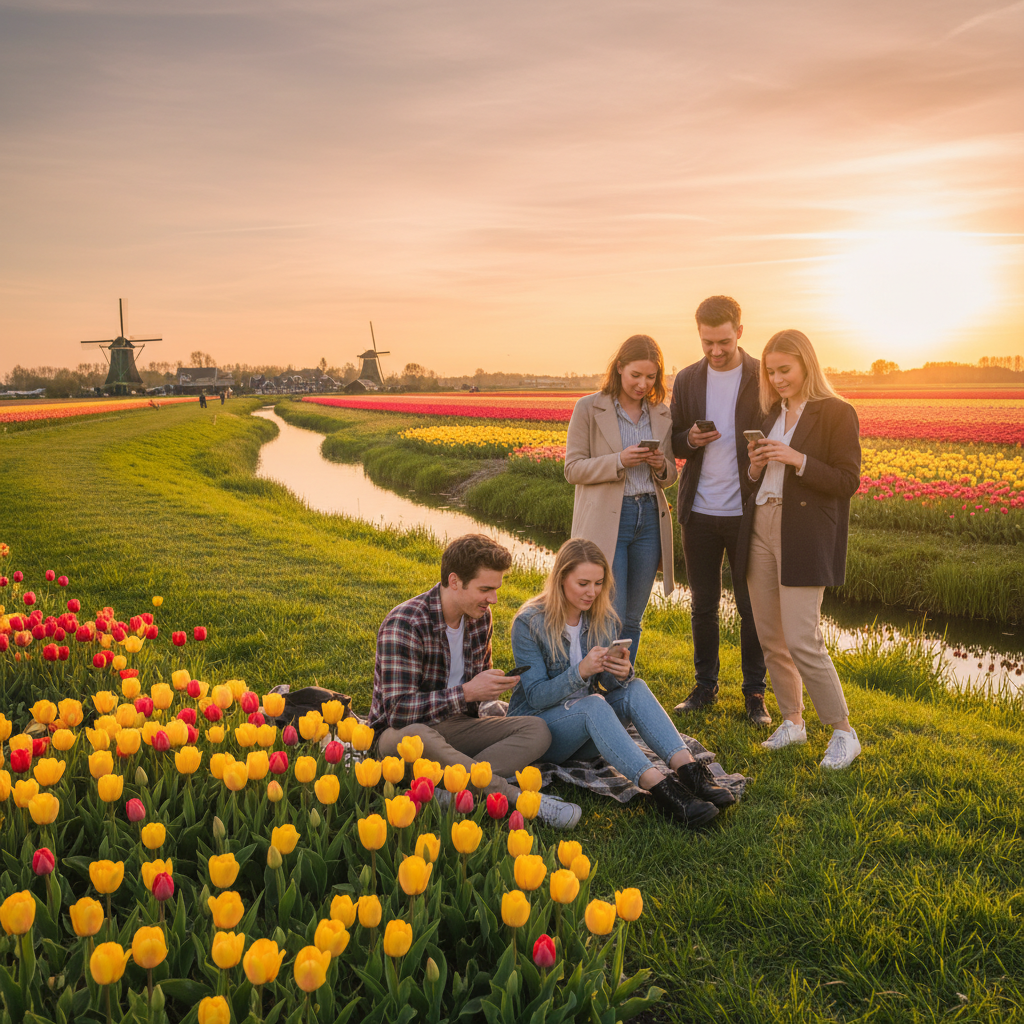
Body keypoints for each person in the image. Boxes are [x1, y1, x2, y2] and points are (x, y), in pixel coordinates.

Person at [509, 538, 734, 829]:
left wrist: (620, 673)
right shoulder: (529, 623)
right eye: (583, 583)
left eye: (599, 583)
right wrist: (580, 671)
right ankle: (666, 792)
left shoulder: (601, 618)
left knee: (635, 687)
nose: (592, 592)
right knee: (593, 704)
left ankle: (690, 772)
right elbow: (537, 696)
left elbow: (614, 689)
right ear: (561, 578)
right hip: (541, 733)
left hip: (585, 733)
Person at [369, 533, 582, 828]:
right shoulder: (405, 623)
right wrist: (467, 692)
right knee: (418, 735)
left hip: (456, 726)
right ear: (454, 581)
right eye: (485, 589)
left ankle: (452, 787)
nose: (493, 599)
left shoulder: (480, 617)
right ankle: (517, 800)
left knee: (537, 730)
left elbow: (476, 691)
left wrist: (492, 686)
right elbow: (397, 712)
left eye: (495, 589)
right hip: (400, 736)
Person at [736, 329, 862, 769]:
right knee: (771, 636)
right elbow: (758, 479)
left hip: (804, 532)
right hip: (762, 526)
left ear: (807, 363)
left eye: (784, 369)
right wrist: (755, 467)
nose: (777, 378)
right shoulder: (772, 413)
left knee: (803, 638)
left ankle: (843, 731)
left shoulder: (836, 413)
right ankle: (793, 720)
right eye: (771, 372)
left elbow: (848, 481)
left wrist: (797, 459)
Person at [669, 296, 769, 724]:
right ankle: (705, 687)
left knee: (752, 607)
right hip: (700, 511)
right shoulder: (688, 379)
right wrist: (688, 439)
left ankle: (755, 695)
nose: (715, 351)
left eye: (723, 341)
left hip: (749, 512)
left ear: (740, 331)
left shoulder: (763, 374)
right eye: (707, 342)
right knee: (703, 605)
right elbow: (672, 439)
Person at [564, 335, 677, 666]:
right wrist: (618, 461)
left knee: (632, 617)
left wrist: (660, 465)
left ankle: (619, 687)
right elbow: (572, 469)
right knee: (608, 612)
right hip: (609, 519)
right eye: (636, 376)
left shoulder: (660, 413)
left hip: (649, 520)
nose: (643, 384)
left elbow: (669, 477)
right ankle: (593, 681)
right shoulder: (589, 407)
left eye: (651, 377)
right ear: (619, 369)